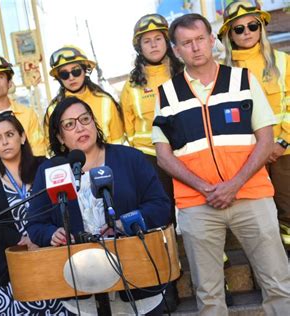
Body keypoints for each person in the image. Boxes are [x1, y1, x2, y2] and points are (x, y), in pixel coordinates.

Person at [152, 13, 290, 315]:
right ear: (176, 50)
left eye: (200, 39)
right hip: (197, 205)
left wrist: (233, 185)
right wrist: (206, 188)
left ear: (212, 40)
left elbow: (265, 139)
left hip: (251, 195)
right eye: (186, 43)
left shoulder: (242, 81)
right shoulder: (167, 94)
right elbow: (164, 155)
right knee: (209, 294)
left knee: (279, 284)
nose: (195, 47)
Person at [27, 96, 171, 315]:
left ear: (95, 123)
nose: (80, 128)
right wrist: (51, 234)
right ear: (60, 136)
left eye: (85, 119)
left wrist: (125, 223)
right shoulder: (50, 171)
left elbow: (160, 206)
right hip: (82, 292)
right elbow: (36, 223)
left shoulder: (130, 158)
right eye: (69, 124)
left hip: (137, 283)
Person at [0, 111, 71, 315]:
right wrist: (23, 239)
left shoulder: (43, 166)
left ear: (22, 136)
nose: (4, 142)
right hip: (11, 268)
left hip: (50, 257)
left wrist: (44, 236)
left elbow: (63, 204)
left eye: (9, 134)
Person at [120, 13, 184, 312]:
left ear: (167, 41)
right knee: (161, 222)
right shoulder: (131, 87)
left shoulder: (186, 73)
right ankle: (168, 284)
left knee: (203, 218)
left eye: (159, 38)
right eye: (147, 40)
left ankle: (218, 278)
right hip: (152, 162)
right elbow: (128, 131)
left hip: (190, 155)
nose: (154, 44)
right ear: (139, 47)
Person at [218, 0, 290, 245]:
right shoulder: (222, 72)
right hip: (246, 159)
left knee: (287, 210)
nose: (247, 32)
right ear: (229, 35)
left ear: (261, 28)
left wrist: (281, 142)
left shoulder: (283, 61)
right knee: (257, 218)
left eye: (252, 25)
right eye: (239, 29)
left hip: (283, 152)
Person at [44, 45, 125, 146]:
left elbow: (118, 142)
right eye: (64, 74)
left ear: (85, 71)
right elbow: (52, 148)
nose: (71, 77)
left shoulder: (105, 101)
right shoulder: (53, 110)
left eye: (76, 71)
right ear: (59, 78)